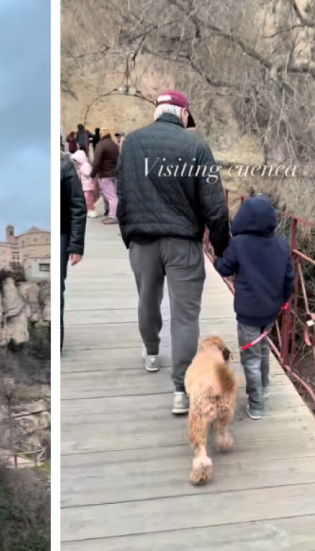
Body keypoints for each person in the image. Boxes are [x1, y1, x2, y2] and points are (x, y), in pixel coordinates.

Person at [115, 90, 231, 415]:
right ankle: (181, 389)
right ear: (183, 114)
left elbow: (122, 194)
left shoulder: (132, 144)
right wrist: (222, 248)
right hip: (184, 243)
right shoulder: (197, 146)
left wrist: (129, 235)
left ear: (157, 111)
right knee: (185, 317)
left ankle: (151, 353)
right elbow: (215, 204)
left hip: (143, 241)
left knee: (147, 300)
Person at [212, 196, 294, 420]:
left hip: (248, 313)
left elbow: (226, 268)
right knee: (263, 349)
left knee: (251, 358)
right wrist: (284, 300)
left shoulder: (239, 244)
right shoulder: (282, 244)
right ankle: (264, 390)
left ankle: (256, 404)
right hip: (271, 310)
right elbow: (289, 278)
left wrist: (216, 260)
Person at [61, 150, 87, 351]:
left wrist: (76, 245)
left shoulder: (64, 164)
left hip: (61, 235)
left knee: (58, 289)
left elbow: (77, 205)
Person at [92, 129, 120, 224]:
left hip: (104, 174)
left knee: (111, 197)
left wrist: (92, 174)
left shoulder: (101, 145)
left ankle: (113, 216)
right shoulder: (114, 145)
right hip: (114, 174)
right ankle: (112, 214)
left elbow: (96, 162)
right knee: (114, 196)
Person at [71, 149, 97, 217]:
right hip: (85, 186)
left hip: (89, 186)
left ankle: (92, 210)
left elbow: (88, 173)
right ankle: (90, 210)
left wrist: (81, 170)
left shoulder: (86, 165)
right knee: (87, 199)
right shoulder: (81, 166)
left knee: (88, 199)